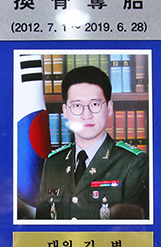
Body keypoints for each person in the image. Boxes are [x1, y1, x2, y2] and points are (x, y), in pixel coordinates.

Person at [36, 66, 149, 220]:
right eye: (77, 105)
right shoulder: (53, 162)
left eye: (94, 104)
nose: (86, 114)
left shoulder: (133, 163)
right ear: (65, 111)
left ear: (109, 108)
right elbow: (41, 229)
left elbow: (136, 231)